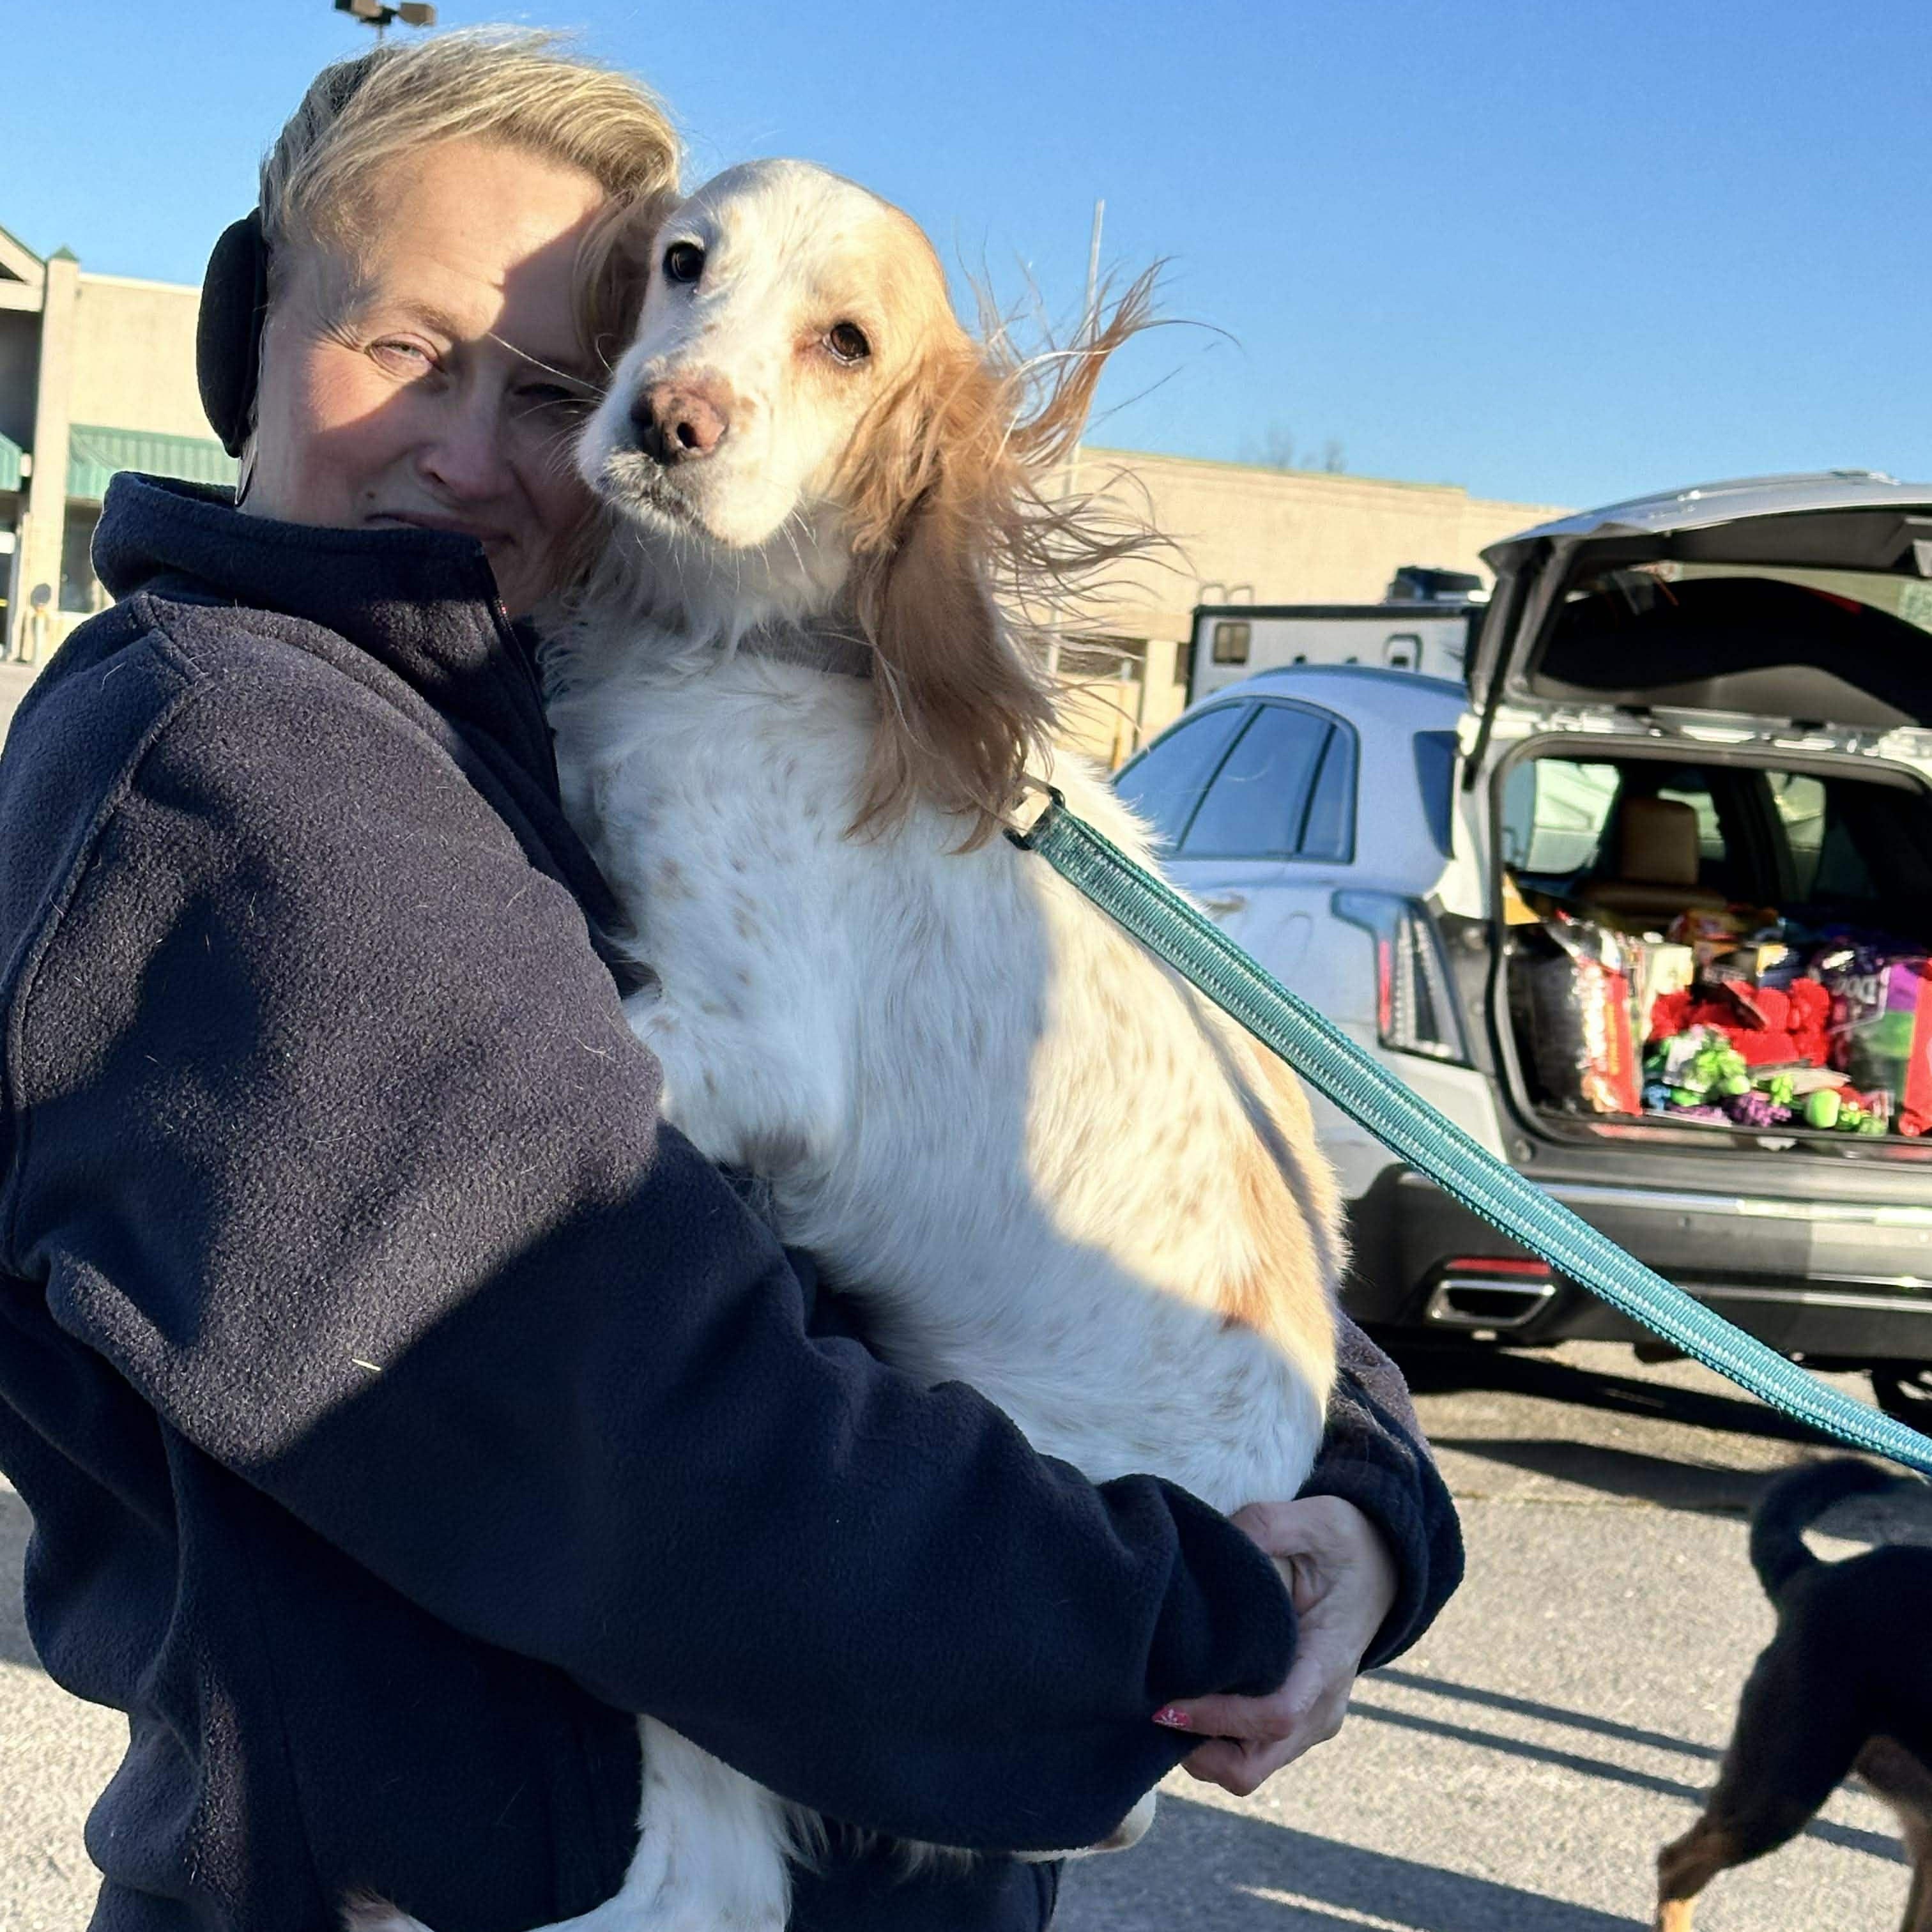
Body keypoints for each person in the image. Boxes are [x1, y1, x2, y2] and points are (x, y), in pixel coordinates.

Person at [0, 30, 1461, 1932]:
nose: (474, 451)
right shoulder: (237, 758)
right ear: (244, 330)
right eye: (402, 348)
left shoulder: (530, 709)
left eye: (552, 386)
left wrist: (1361, 1498)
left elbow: (1132, 1177)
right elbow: (667, 1451)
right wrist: (1200, 1614)